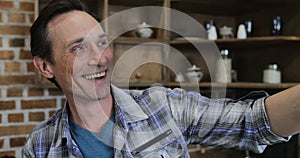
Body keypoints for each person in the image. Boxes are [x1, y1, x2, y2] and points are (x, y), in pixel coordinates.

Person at [23, 0, 300, 157]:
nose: (101, 58)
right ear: (45, 67)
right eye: (78, 47)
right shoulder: (39, 146)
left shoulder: (162, 106)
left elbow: (251, 122)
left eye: (102, 42)